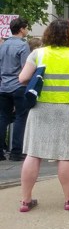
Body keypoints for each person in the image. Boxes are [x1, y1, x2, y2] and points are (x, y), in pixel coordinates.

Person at [17, 19, 69, 212]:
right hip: (66, 107)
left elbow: (22, 78)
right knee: (65, 155)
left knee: (34, 153)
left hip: (41, 107)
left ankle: (26, 200)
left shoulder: (38, 53)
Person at [0, 17, 31, 161]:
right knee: (20, 118)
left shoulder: (3, 45)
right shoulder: (23, 46)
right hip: (19, 85)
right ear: (21, 29)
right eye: (26, 28)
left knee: (3, 118)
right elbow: (26, 68)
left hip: (4, 85)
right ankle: (16, 151)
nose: (27, 30)